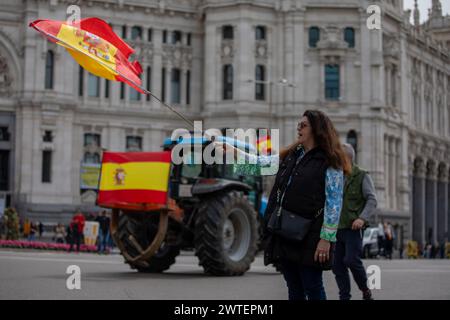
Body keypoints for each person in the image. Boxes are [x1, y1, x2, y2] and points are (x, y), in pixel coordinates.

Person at [223, 109, 350, 300]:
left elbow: (334, 202)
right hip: (286, 231)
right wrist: (232, 152)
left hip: (311, 235)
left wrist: (326, 239)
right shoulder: (292, 154)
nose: (299, 128)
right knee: (293, 287)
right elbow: (260, 164)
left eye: (304, 125)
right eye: (299, 124)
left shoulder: (330, 161)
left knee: (312, 286)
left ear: (317, 130)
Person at [332, 143, 377, 300]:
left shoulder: (362, 175)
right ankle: (344, 296)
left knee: (351, 260)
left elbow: (372, 199)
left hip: (353, 228)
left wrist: (362, 218)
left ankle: (365, 289)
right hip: (336, 228)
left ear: (347, 158)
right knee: (337, 265)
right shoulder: (334, 176)